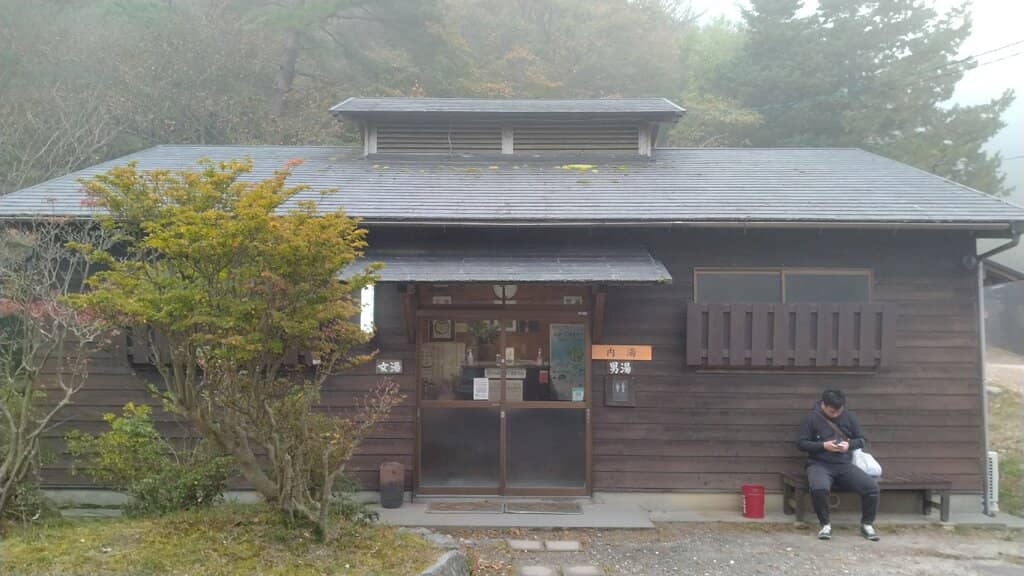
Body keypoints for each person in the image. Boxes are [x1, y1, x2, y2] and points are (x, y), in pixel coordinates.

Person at [796, 389, 880, 541]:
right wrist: (823, 446)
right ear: (823, 404)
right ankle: (825, 525)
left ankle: (867, 524)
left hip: (844, 464)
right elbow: (801, 444)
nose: (835, 414)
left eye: (838, 411)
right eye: (831, 411)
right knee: (819, 488)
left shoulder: (849, 417)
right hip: (819, 463)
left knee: (871, 487)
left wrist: (849, 445)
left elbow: (862, 440)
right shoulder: (812, 418)